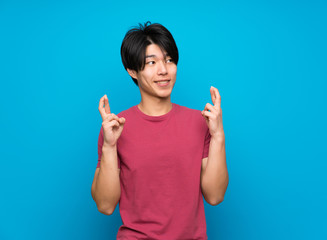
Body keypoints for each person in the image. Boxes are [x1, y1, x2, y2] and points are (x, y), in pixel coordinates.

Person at [91, 22, 228, 240]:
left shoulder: (199, 122)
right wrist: (109, 146)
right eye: (151, 62)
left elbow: (215, 195)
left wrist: (218, 135)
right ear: (132, 71)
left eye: (169, 60)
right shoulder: (116, 127)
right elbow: (105, 205)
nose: (163, 70)